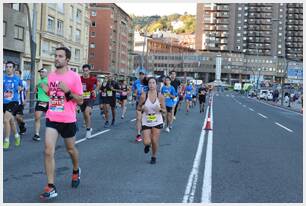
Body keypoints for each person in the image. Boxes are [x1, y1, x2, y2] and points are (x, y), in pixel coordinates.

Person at [40, 47, 83, 200]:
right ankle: (51, 186)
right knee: (48, 150)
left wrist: (68, 92)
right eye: (56, 55)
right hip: (52, 117)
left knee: (71, 149)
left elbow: (80, 100)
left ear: (67, 60)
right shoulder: (50, 76)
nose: (56, 58)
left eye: (60, 56)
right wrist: (46, 91)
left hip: (68, 119)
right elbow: (53, 95)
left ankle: (76, 170)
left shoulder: (74, 77)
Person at [137, 77, 166, 164]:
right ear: (148, 84)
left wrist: (160, 109)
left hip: (157, 120)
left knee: (154, 140)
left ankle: (154, 156)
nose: (151, 85)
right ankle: (147, 145)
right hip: (146, 120)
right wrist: (142, 108)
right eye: (150, 83)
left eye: (153, 83)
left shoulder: (160, 96)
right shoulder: (143, 95)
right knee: (146, 141)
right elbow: (138, 108)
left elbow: (165, 110)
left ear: (156, 85)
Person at [3, 61, 22, 149]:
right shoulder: (3, 78)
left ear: (13, 69)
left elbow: (22, 87)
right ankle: (16, 136)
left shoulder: (17, 78)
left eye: (10, 67)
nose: (8, 68)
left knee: (6, 120)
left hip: (13, 102)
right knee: (11, 121)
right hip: (4, 102)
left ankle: (6, 140)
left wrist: (20, 88)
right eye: (7, 67)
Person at [80, 64, 98, 138]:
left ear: (89, 71)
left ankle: (88, 131)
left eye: (86, 71)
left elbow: (99, 84)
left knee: (87, 112)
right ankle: (89, 127)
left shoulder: (93, 79)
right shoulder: (79, 78)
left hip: (90, 97)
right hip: (82, 98)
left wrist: (95, 90)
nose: (85, 72)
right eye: (84, 71)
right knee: (85, 115)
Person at [33, 68, 49, 141]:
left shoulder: (49, 80)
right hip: (40, 102)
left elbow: (49, 89)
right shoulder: (39, 81)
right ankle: (37, 134)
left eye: (42, 72)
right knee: (37, 117)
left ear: (46, 73)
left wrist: (42, 85)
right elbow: (36, 89)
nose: (41, 73)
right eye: (40, 72)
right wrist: (36, 89)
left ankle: (54, 131)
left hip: (49, 102)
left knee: (51, 119)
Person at [132, 71, 148, 142]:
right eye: (140, 74)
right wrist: (135, 94)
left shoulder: (147, 82)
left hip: (147, 103)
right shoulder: (136, 82)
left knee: (145, 119)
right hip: (139, 102)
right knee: (138, 118)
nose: (141, 76)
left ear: (145, 75)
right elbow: (133, 91)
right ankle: (138, 134)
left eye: (143, 74)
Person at [14, 69, 27, 135]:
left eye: (17, 73)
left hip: (20, 102)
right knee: (16, 118)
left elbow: (26, 91)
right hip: (13, 102)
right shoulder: (12, 82)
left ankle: (23, 123)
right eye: (15, 73)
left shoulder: (23, 82)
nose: (15, 74)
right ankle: (22, 129)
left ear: (20, 74)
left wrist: (25, 100)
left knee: (18, 117)